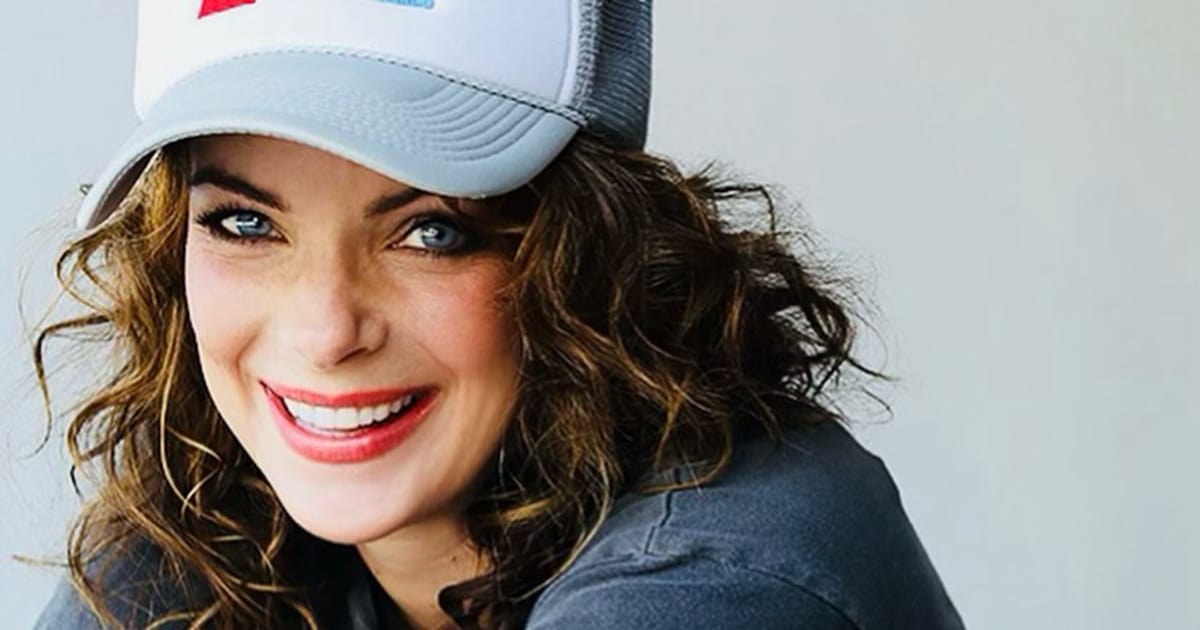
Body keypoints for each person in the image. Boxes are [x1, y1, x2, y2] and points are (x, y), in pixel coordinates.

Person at [33, 1, 964, 628]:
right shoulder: (192, 541)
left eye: (432, 232)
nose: (324, 331)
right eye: (246, 224)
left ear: (593, 249)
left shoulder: (719, 578)